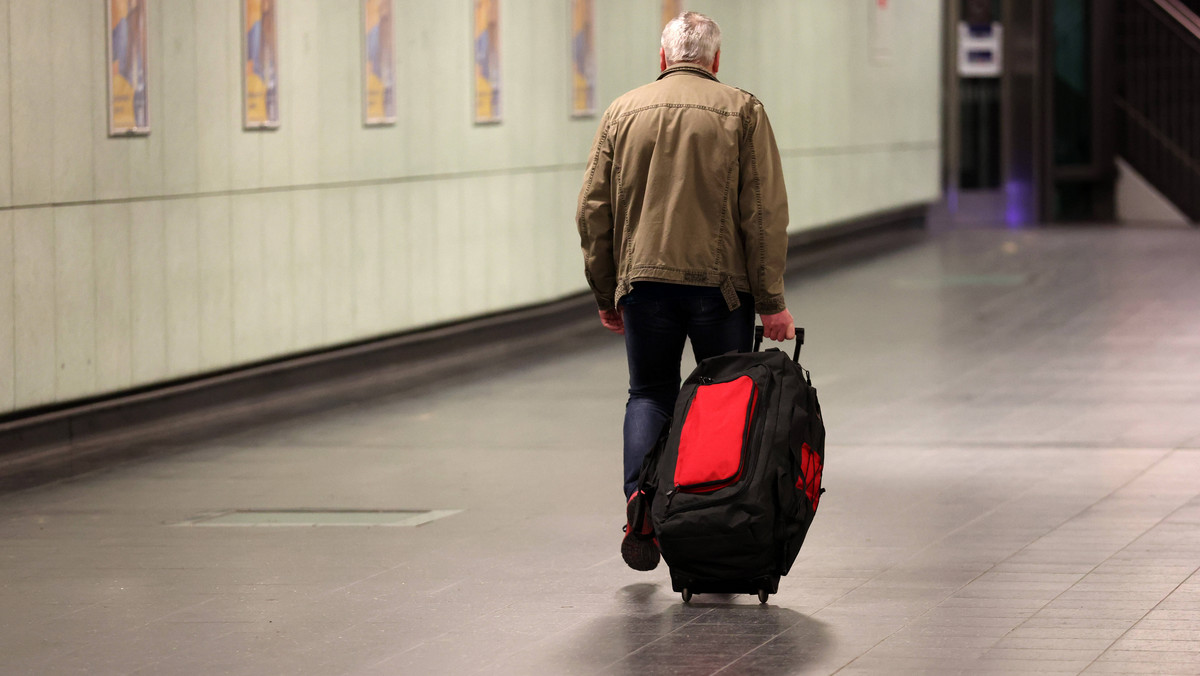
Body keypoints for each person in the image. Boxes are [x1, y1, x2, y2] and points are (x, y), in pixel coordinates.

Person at [575, 11, 795, 571]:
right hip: (719, 290)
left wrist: (607, 291)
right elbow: (762, 213)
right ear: (716, 60)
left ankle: (640, 503)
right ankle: (713, 514)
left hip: (643, 286)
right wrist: (771, 301)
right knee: (721, 399)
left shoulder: (622, 112)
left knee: (648, 394)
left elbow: (592, 210)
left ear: (663, 57)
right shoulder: (743, 110)